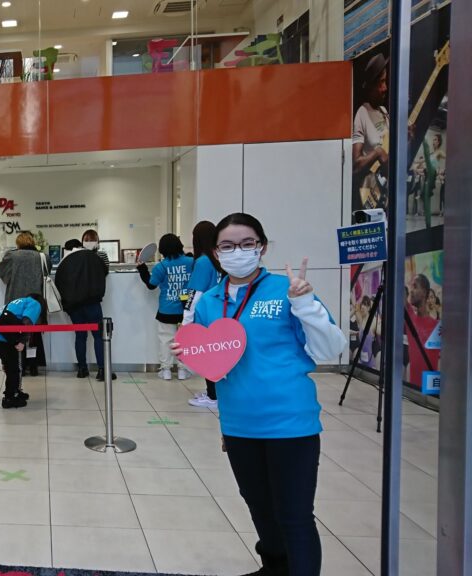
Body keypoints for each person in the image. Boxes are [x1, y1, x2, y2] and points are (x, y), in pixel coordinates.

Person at [174, 213, 347, 576]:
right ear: (216, 253)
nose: (237, 252)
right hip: (239, 425)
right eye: (227, 245)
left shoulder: (287, 290)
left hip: (290, 423)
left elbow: (330, 348)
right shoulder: (209, 303)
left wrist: (306, 305)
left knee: (294, 514)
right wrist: (187, 352)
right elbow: (212, 365)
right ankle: (275, 568)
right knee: (259, 507)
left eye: (247, 243)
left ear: (262, 247)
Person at [137, 234, 194, 381]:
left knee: (165, 340)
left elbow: (151, 285)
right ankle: (182, 370)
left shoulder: (161, 266)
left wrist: (142, 268)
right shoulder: (191, 262)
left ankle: (166, 370)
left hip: (166, 309)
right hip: (186, 309)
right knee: (185, 340)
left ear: (162, 249)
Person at [55, 239, 112, 380]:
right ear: (80, 246)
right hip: (92, 302)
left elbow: (58, 284)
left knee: (80, 337)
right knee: (98, 336)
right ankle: (102, 369)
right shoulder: (92, 256)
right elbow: (105, 271)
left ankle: (82, 369)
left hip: (74, 306)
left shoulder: (63, 262)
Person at [0, 231, 49, 376]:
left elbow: (1, 272)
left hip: (16, 302)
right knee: (34, 335)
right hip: (35, 301)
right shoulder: (41, 256)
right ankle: (34, 366)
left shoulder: (11, 256)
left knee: (16, 334)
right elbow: (47, 271)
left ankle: (20, 366)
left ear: (18, 243)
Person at [182, 221, 223, 406]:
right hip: (222, 314)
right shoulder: (219, 259)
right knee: (218, 356)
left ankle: (213, 396)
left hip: (206, 317)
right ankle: (215, 392)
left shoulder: (202, 262)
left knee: (208, 357)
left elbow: (194, 295)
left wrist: (186, 323)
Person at [0, 295, 46, 408]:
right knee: (14, 367)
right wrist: (22, 341)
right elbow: (27, 322)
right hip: (1, 334)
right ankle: (9, 398)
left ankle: (16, 391)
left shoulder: (17, 302)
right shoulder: (34, 303)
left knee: (11, 364)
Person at [352, 53, 390, 211]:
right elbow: (355, 165)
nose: (385, 88)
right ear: (371, 87)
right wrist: (377, 152)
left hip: (388, 191)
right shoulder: (362, 113)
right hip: (372, 193)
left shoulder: (384, 112)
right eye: (381, 82)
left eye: (385, 81)